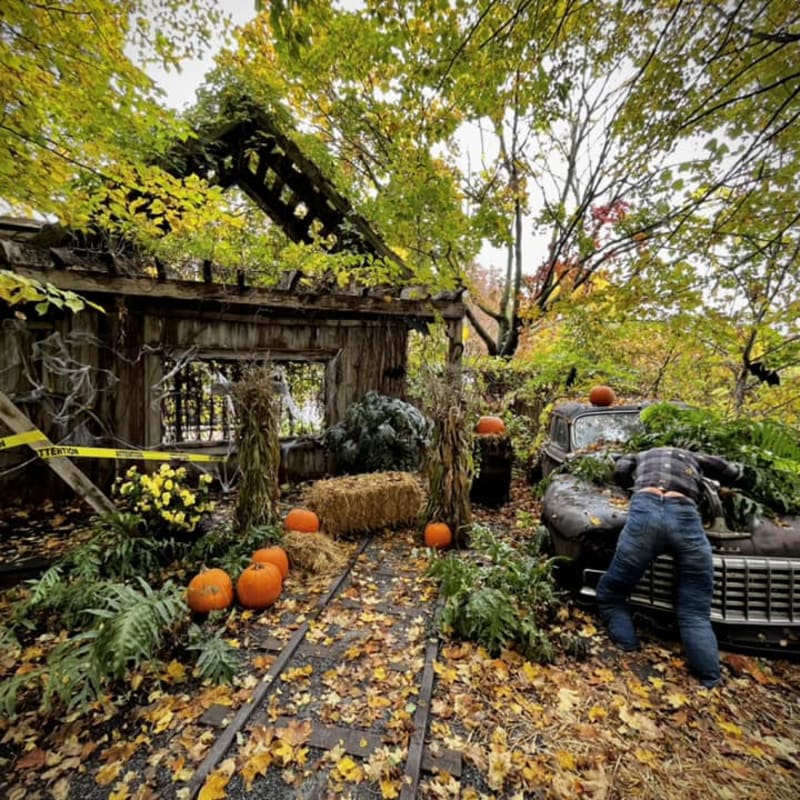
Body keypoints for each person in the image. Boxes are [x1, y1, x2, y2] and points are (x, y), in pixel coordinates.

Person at [596, 446, 746, 687]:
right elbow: (729, 470)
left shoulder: (641, 454)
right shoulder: (694, 457)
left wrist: (626, 483)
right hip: (685, 517)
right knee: (695, 611)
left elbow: (620, 469)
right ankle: (710, 678)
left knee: (611, 593)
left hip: (644, 515)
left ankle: (627, 646)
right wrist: (737, 477)